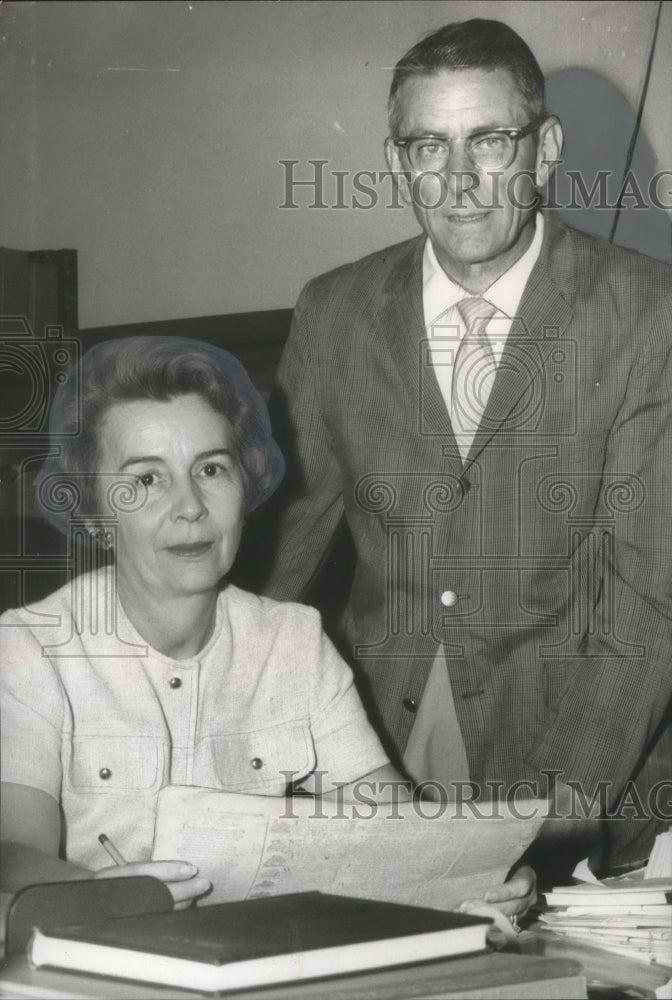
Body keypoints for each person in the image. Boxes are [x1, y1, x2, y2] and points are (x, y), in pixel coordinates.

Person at [249, 19, 672, 876]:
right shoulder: (332, 312)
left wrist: (547, 825)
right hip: (372, 755)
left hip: (579, 767)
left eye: (490, 140)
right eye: (429, 147)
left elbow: (647, 605)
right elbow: (274, 572)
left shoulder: (648, 312)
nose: (461, 181)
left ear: (545, 148)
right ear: (399, 160)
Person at [0, 335, 535, 915]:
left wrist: (481, 873)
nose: (191, 506)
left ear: (245, 486)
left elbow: (397, 830)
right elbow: (10, 853)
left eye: (210, 468)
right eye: (147, 479)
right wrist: (103, 896)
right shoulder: (32, 647)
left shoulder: (294, 642)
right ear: (95, 510)